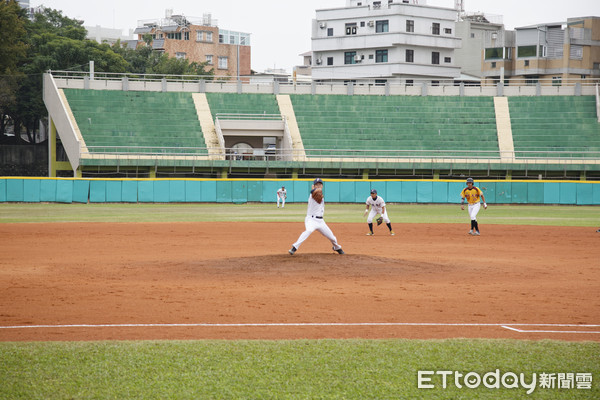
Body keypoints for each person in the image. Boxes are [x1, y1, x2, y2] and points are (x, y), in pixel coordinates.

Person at [289, 178, 344, 255]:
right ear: (313, 186)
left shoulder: (321, 195)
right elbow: (313, 192)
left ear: (322, 186)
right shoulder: (313, 194)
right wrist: (313, 190)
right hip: (311, 220)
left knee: (332, 237)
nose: (318, 186)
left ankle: (337, 247)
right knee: (309, 231)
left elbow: (318, 195)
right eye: (316, 185)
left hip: (321, 221)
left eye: (320, 184)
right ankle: (294, 247)